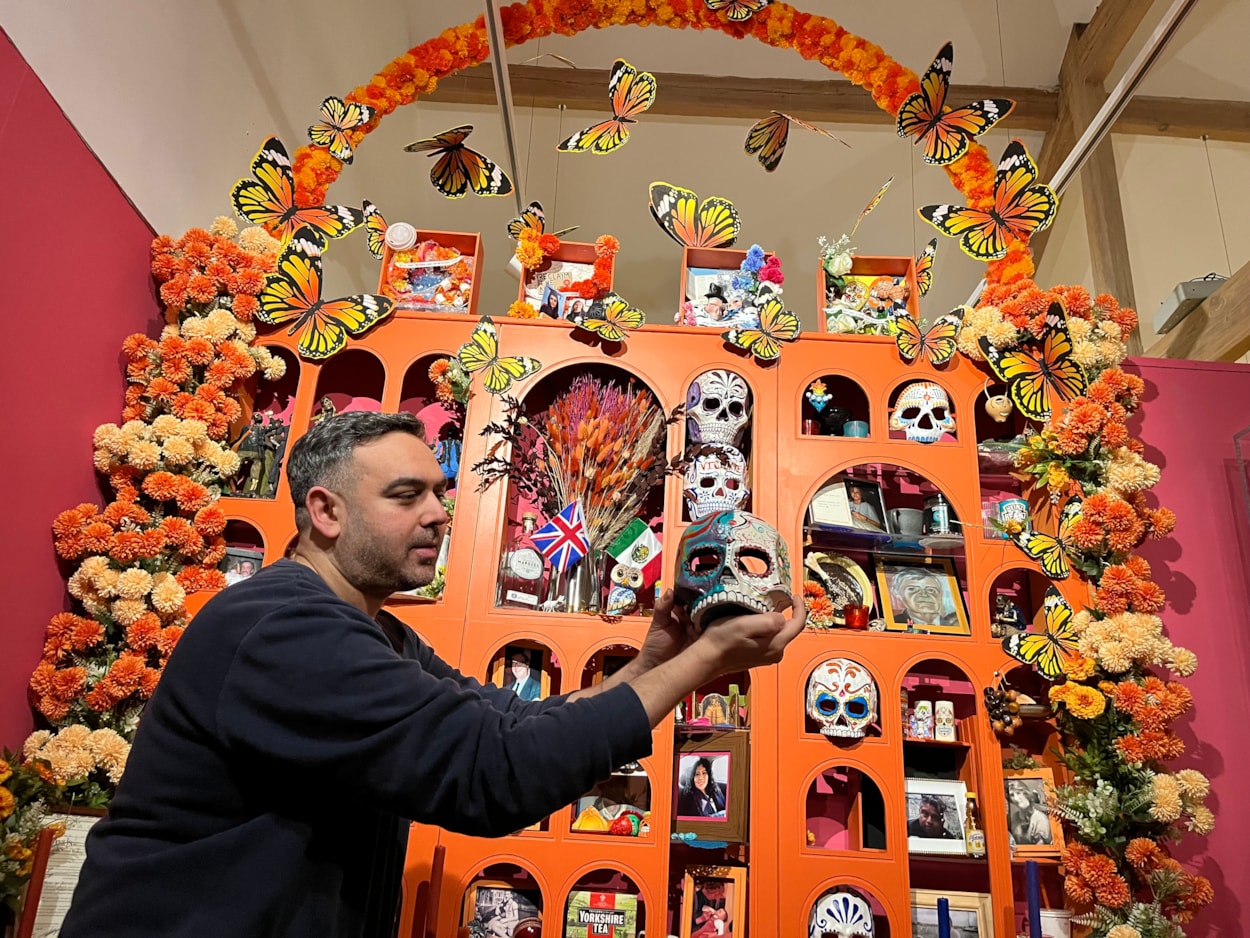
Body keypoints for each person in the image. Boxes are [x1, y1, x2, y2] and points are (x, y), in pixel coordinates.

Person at [61, 411, 805, 938]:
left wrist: (655, 663)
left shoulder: (378, 634)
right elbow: (498, 776)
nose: (440, 514)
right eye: (406, 495)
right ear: (325, 511)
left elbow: (511, 725)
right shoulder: (281, 629)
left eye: (440, 492)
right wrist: (707, 661)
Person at [890, 568, 960, 629]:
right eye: (913, 589)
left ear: (940, 594)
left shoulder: (956, 624)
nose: (924, 594)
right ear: (897, 593)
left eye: (931, 590)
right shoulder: (893, 623)